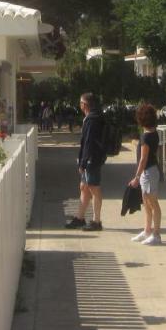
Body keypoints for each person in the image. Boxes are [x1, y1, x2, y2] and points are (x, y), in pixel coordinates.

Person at [66, 92, 106, 231]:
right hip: (91, 158)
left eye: (80, 103)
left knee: (94, 188)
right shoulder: (93, 117)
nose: (80, 105)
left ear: (85, 105)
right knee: (84, 187)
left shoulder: (92, 119)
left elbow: (88, 142)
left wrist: (83, 162)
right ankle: (80, 217)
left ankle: (96, 221)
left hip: (92, 159)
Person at [128, 102, 163, 245]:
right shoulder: (154, 134)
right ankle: (147, 230)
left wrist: (136, 177)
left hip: (148, 172)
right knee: (146, 203)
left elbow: (143, 159)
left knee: (152, 203)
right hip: (150, 171)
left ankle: (156, 234)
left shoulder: (146, 137)